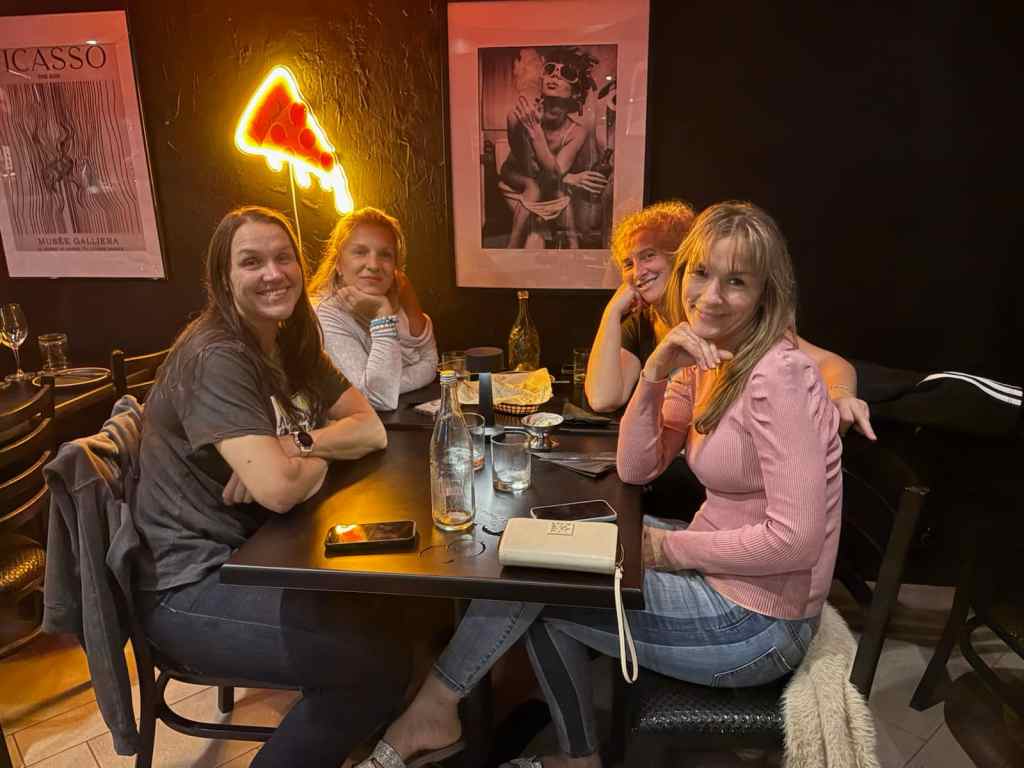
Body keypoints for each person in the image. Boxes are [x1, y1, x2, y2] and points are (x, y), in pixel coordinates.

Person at [355, 202, 842, 768]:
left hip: (759, 621)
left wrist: (668, 549)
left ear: (765, 293)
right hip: (721, 571)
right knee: (540, 545)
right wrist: (655, 373)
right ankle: (453, 713)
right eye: (702, 273)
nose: (710, 296)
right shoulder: (706, 356)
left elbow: (795, 541)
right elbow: (637, 468)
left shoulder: (779, 377)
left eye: (736, 281)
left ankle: (465, 719)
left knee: (543, 589)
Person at [133, 205, 407, 768]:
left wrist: (296, 444)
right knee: (373, 666)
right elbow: (280, 490)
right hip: (187, 587)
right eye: (252, 262)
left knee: (405, 610)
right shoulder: (217, 356)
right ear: (222, 276)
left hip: (259, 556)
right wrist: (308, 458)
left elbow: (370, 427)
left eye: (284, 258)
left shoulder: (287, 341)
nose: (273, 273)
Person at [585, 200, 876, 439]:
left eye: (648, 256)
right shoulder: (642, 323)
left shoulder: (720, 316)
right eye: (628, 263)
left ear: (681, 257)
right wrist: (612, 312)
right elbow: (604, 398)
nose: (637, 271)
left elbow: (831, 364)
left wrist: (840, 395)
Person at [309, 206, 438, 411]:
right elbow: (376, 398)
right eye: (360, 252)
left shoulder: (385, 296)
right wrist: (383, 314)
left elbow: (430, 363)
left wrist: (405, 301)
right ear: (338, 263)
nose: (374, 265)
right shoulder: (324, 313)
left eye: (385, 255)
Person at [500, 46, 607, 249]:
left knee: (557, 193)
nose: (555, 75)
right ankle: (512, 248)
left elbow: (553, 175)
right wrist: (570, 178)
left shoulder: (577, 131)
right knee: (535, 186)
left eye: (566, 73)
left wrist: (536, 134)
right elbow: (531, 169)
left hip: (547, 181)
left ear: (576, 93)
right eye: (550, 69)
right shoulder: (518, 115)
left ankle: (572, 248)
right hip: (516, 177)